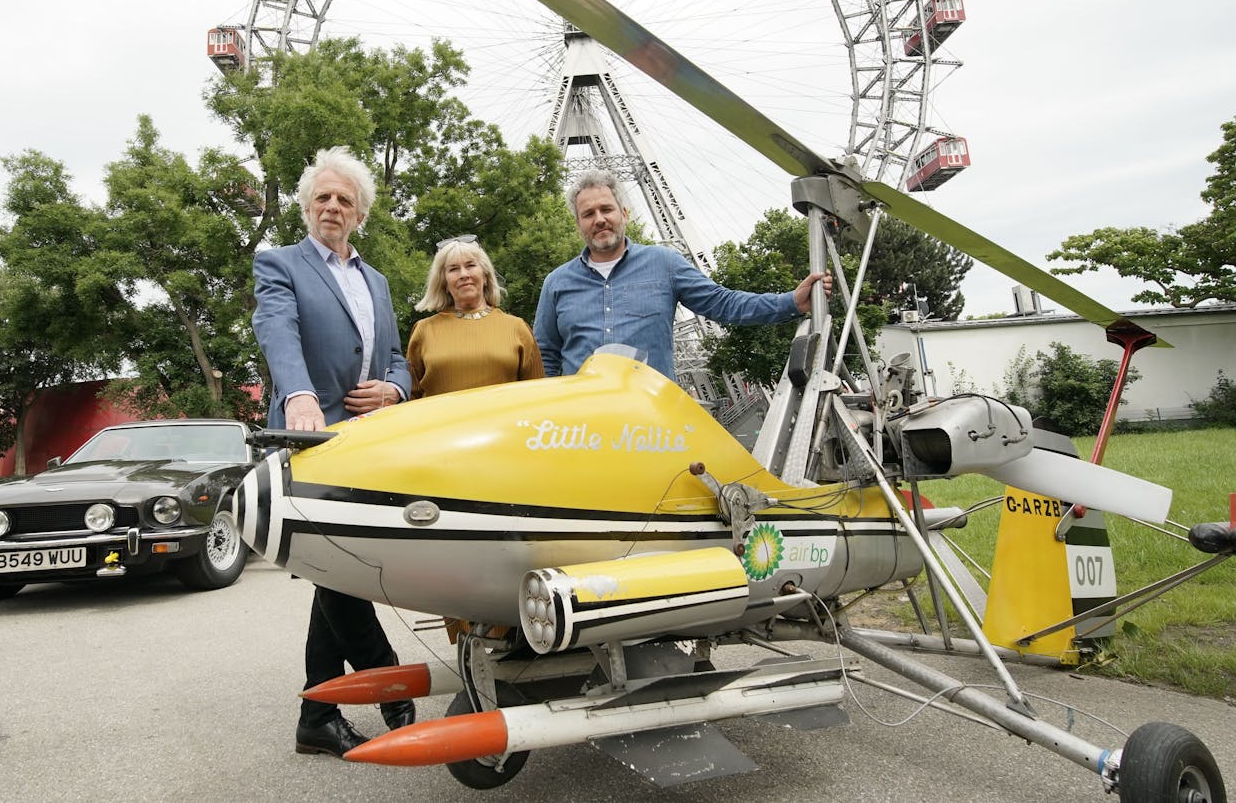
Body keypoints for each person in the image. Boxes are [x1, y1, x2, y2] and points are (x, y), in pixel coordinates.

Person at [251, 145, 415, 758]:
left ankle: (317, 714)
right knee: (335, 566)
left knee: (335, 569)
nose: (332, 206)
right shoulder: (280, 265)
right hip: (311, 438)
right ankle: (390, 682)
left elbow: (396, 357)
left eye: (344, 199)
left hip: (366, 440)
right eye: (323, 196)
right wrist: (296, 394)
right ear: (306, 205)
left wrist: (393, 387)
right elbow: (277, 330)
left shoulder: (375, 280)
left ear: (359, 213)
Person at [533, 169, 831, 379]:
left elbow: (723, 304)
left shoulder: (664, 264)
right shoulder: (557, 283)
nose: (599, 220)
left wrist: (790, 302)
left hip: (649, 417)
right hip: (583, 421)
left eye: (606, 209)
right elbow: (544, 355)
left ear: (624, 213)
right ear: (579, 224)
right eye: (588, 214)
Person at [406, 235, 544, 398]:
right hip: (441, 423)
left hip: (502, 423)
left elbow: (537, 394)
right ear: (444, 283)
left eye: (470, 265)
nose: (464, 274)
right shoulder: (424, 330)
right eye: (453, 269)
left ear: (485, 276)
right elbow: (410, 396)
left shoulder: (517, 327)